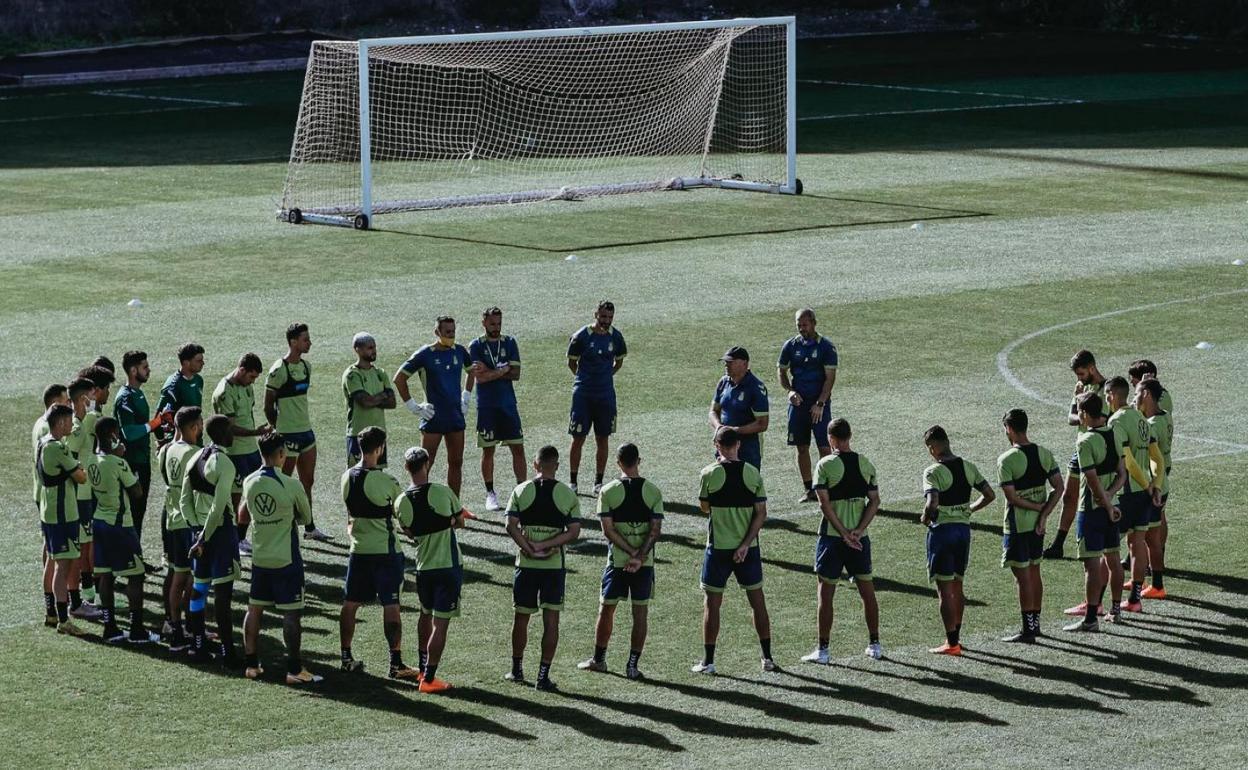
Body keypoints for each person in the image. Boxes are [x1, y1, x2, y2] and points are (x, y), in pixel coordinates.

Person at [577, 442, 663, 680]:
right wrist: (640, 555)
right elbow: (655, 531)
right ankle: (632, 666)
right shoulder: (653, 491)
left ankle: (599, 660)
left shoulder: (608, 491)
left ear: (617, 463)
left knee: (606, 610)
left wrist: (629, 553)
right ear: (639, 461)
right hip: (644, 564)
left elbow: (608, 530)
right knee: (640, 613)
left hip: (616, 563)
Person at [241, 432, 321, 684]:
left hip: (260, 557)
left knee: (254, 608)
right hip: (286, 558)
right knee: (291, 613)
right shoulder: (291, 484)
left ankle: (251, 665)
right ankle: (294, 670)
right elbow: (306, 519)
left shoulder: (249, 481)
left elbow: (246, 513)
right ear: (281, 454)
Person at [339, 427, 419, 680]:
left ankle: (346, 657)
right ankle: (396, 663)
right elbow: (405, 514)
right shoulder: (387, 481)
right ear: (379, 449)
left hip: (358, 550)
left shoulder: (346, 477)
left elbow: (349, 514)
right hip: (385, 552)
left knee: (350, 604)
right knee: (391, 604)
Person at [694, 427, 774, 674]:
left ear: (716, 445)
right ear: (738, 444)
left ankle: (708, 661)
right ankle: (767, 658)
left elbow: (705, 508)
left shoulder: (708, 474)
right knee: (757, 602)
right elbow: (761, 514)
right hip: (748, 549)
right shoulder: (752, 474)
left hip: (718, 548)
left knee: (712, 604)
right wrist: (745, 544)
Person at [801, 419, 882, 664]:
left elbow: (824, 504)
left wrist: (844, 533)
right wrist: (858, 530)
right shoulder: (865, 463)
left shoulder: (825, 465)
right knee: (867, 592)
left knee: (825, 594)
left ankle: (823, 650)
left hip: (832, 539)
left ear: (830, 438)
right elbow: (875, 502)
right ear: (850, 435)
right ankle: (875, 644)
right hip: (860, 540)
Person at [504, 445, 581, 692]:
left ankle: (516, 670)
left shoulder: (521, 490)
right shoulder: (566, 494)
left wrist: (528, 547)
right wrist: (546, 545)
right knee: (551, 620)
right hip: (553, 567)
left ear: (535, 465)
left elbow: (510, 525)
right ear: (557, 466)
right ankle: (542, 676)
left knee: (521, 617)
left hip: (525, 565)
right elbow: (574, 531)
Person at [396, 446, 466, 693]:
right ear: (427, 464)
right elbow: (460, 521)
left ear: (406, 467)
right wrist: (447, 522)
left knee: (425, 615)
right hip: (448, 565)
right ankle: (429, 679)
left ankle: (422, 669)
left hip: (422, 567)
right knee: (441, 623)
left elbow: (411, 532)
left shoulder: (401, 501)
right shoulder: (443, 492)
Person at [922, 425, 995, 656]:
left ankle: (951, 642)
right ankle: (957, 637)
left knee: (944, 590)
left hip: (942, 532)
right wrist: (969, 509)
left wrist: (925, 517)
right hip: (963, 531)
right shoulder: (968, 466)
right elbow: (990, 494)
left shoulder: (933, 472)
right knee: (958, 585)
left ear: (933, 447)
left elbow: (932, 503)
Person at [995, 409, 1063, 643]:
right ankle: (1036, 624)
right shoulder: (1044, 453)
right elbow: (1059, 488)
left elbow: (1012, 498)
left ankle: (1027, 630)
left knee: (1022, 577)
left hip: (1017, 526)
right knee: (1035, 572)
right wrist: (1044, 514)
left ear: (1010, 429)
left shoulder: (1006, 460)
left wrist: (1037, 509)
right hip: (1037, 527)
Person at [1062, 392, 1128, 632]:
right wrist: (1112, 498)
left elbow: (1091, 480)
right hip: (1114, 506)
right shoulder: (1114, 432)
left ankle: (1090, 618)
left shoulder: (1085, 441)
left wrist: (1106, 504)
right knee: (1113, 558)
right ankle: (1116, 611)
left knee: (1091, 564)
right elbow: (1123, 473)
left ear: (1084, 414)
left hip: (1091, 510)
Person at [89, 418, 158, 643]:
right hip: (120, 525)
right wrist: (124, 462)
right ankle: (137, 629)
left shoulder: (91, 460)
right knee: (136, 575)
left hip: (99, 522)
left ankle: (110, 627)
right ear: (112, 435)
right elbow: (137, 492)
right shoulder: (118, 463)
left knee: (106, 574)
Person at [182, 416, 241, 663]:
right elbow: (219, 508)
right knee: (223, 594)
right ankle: (228, 653)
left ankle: (198, 645)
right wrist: (206, 536)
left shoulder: (195, 457)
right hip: (220, 534)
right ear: (223, 433)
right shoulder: (225, 463)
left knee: (199, 589)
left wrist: (196, 531)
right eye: (231, 430)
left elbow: (184, 501)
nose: (234, 434)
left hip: (199, 534)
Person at [395, 316, 475, 500]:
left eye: (453, 331)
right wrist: (414, 407)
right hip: (433, 418)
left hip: (455, 416)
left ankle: (454, 506)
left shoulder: (460, 351)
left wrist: (466, 396)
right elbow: (399, 378)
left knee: (456, 463)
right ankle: (417, 504)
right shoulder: (425, 354)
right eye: (447, 332)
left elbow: (471, 372)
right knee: (423, 466)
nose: (451, 335)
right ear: (437, 332)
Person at [266, 323, 332, 541]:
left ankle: (309, 527)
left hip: (306, 433)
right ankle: (282, 525)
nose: (309, 342)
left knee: (308, 482)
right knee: (284, 482)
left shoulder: (306, 367)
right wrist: (280, 428)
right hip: (288, 436)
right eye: (305, 339)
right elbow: (268, 406)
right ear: (293, 342)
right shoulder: (278, 370)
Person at [1105, 376, 1165, 613]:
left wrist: (1146, 483)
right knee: (1137, 542)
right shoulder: (1142, 419)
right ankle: (1134, 599)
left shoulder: (1116, 421)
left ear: (1111, 395)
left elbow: (1127, 460)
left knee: (1106, 548)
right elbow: (1157, 458)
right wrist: (1155, 485)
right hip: (1144, 494)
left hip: (1128, 492)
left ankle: (1097, 605)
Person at [1044, 349, 1107, 559]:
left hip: (1097, 450)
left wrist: (1079, 407)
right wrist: (1077, 400)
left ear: (1092, 367)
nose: (1079, 378)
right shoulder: (1084, 388)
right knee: (1069, 495)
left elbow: (1100, 420)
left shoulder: (1105, 391)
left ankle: (1106, 545)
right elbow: (1071, 418)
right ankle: (1058, 544)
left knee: (1096, 499)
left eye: (1081, 373)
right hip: (1079, 448)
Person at [37, 403, 88, 636]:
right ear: (59, 423)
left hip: (49, 511)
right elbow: (81, 477)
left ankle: (52, 613)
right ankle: (63, 619)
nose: (72, 424)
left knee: (54, 561)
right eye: (69, 420)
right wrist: (79, 469)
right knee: (63, 565)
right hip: (62, 514)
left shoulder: (43, 443)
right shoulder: (57, 448)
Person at [566, 301, 627, 495]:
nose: (606, 321)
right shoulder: (581, 336)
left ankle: (598, 482)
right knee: (578, 438)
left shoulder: (616, 337)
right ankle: (573, 482)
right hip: (583, 394)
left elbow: (619, 361)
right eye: (603, 317)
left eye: (609, 318)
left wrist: (606, 376)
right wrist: (585, 379)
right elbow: (572, 363)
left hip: (605, 395)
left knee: (603, 438)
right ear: (595, 314)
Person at [469, 307, 526, 512]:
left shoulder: (509, 342)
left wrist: (493, 371)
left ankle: (522, 491)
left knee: (518, 448)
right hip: (487, 406)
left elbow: (516, 373)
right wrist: (503, 369)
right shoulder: (475, 346)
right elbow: (480, 377)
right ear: (483, 323)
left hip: (508, 405)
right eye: (492, 324)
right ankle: (490, 493)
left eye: (499, 323)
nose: (496, 327)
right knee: (488, 450)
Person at [778, 308, 838, 501]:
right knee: (801, 446)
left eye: (805, 325)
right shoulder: (790, 345)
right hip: (798, 405)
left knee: (824, 447)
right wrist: (790, 391)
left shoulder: (826, 347)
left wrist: (820, 403)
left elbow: (830, 379)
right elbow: (781, 371)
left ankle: (825, 487)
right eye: (799, 325)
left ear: (814, 323)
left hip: (819, 404)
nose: (802, 329)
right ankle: (809, 489)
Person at [156, 407, 203, 651]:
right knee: (187, 577)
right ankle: (183, 628)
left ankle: (173, 624)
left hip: (171, 518)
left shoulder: (166, 450)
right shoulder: (195, 453)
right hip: (187, 521)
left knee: (175, 573)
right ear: (194, 427)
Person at [213, 353, 268, 555]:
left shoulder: (247, 386)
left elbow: (248, 416)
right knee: (236, 497)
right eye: (251, 377)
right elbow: (230, 428)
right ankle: (234, 540)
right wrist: (257, 432)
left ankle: (242, 537)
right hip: (234, 452)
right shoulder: (224, 392)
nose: (253, 382)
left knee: (253, 491)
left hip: (251, 449)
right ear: (242, 370)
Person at [114, 350, 172, 541]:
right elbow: (128, 433)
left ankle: (135, 556)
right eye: (145, 367)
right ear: (133, 370)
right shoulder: (125, 397)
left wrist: (160, 427)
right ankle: (130, 559)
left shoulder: (137, 393)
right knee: (132, 512)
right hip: (132, 462)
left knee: (139, 512)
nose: (149, 370)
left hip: (142, 461)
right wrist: (155, 423)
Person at [73, 365, 115, 606]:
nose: (108, 393)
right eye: (106, 388)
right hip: (84, 491)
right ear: (94, 391)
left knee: (87, 541)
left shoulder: (86, 416)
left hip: (87, 489)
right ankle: (89, 593)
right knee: (86, 542)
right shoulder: (90, 419)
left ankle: (91, 591)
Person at [63, 377, 103, 621]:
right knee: (78, 549)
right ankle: (76, 602)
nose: (95, 400)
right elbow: (71, 459)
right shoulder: (78, 427)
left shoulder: (82, 422)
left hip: (86, 494)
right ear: (82, 399)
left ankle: (87, 596)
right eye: (92, 396)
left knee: (85, 546)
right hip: (79, 497)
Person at [1136, 379, 1172, 599]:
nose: (1135, 397)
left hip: (1153, 485)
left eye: (1137, 393)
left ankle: (1156, 585)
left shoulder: (1151, 425)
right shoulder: (1165, 415)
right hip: (1161, 481)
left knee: (1148, 537)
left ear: (1146, 394)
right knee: (1145, 537)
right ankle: (1142, 579)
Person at [710, 347, 769, 471]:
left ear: (745, 363)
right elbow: (713, 411)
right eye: (725, 362)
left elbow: (762, 424)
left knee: (747, 484)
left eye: (730, 361)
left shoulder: (755, 388)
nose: (726, 364)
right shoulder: (723, 382)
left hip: (748, 448)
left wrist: (735, 430)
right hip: (724, 444)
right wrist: (719, 427)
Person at [343, 332, 396, 466]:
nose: (374, 351)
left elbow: (392, 403)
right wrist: (383, 395)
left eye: (374, 347)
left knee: (378, 475)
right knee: (357, 475)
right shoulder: (352, 375)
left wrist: (373, 399)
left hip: (378, 435)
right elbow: (365, 402)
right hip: (358, 435)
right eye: (370, 348)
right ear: (358, 350)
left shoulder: (380, 373)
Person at [155, 343, 205, 445]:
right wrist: (161, 442)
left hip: (197, 440)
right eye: (198, 361)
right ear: (186, 363)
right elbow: (158, 419)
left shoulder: (198, 380)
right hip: (180, 443)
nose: (203, 363)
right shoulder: (173, 386)